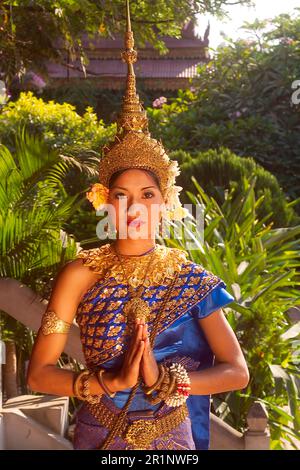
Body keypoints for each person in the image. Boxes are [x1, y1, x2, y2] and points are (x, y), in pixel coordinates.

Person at [26, 0, 249, 451]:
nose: (133, 208)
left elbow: (236, 373)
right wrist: (109, 381)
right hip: (101, 432)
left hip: (172, 437)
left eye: (147, 195)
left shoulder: (189, 279)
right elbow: (40, 374)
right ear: (103, 201)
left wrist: (166, 379)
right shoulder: (80, 274)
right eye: (121, 196)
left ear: (166, 202)